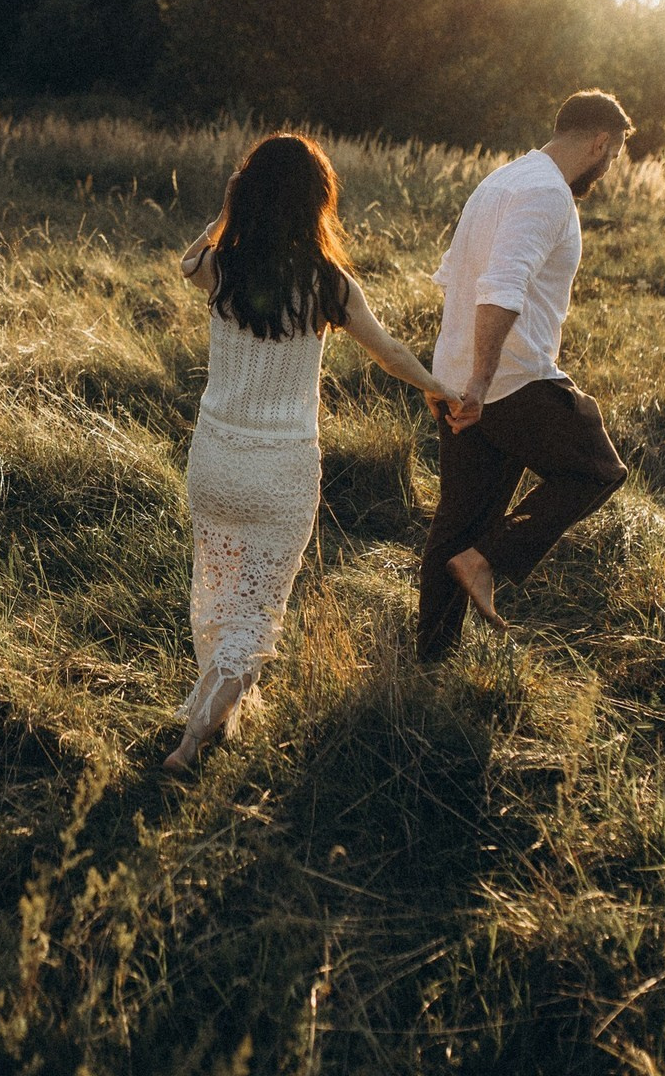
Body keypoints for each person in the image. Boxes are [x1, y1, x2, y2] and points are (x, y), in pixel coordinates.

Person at [163, 133, 459, 774]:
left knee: (218, 595)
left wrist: (226, 210)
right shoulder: (330, 285)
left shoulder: (224, 269)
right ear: (316, 203)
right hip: (282, 472)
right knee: (257, 609)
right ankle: (192, 742)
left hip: (214, 458)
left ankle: (217, 712)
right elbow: (390, 353)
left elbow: (188, 262)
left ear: (251, 196)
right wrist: (436, 388)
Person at [416, 89, 633, 660]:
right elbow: (500, 287)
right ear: (599, 142)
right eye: (610, 160)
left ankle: (430, 664)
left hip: (459, 376)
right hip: (507, 381)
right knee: (597, 469)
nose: (606, 172)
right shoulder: (548, 194)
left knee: (459, 520)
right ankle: (487, 560)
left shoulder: (500, 181)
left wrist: (454, 375)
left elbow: (453, 280)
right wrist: (483, 383)